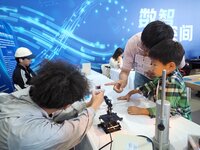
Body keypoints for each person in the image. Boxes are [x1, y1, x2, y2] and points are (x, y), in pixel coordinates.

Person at [0, 60, 104, 149]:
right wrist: (94, 107)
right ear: (67, 105)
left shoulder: (30, 94)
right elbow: (74, 131)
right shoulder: (33, 134)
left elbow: (55, 112)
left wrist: (87, 104)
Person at [117, 39, 191, 120]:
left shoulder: (172, 81)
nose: (151, 68)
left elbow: (167, 110)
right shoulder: (165, 73)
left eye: (154, 65)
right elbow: (149, 85)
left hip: (179, 120)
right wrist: (131, 93)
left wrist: (141, 110)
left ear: (170, 66)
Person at [105, 20, 185, 93]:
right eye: (144, 47)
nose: (146, 53)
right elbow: (125, 71)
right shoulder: (133, 42)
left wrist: (160, 73)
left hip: (164, 79)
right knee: (139, 100)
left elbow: (179, 66)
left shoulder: (173, 47)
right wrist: (122, 80)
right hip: (141, 76)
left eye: (150, 51)